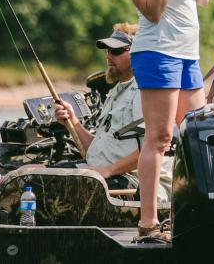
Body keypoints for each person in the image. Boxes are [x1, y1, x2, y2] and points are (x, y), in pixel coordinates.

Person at [115, 0, 214, 243]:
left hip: (188, 54)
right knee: (159, 138)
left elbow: (199, 1)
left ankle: (187, 215)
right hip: (157, 53)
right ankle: (148, 223)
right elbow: (153, 12)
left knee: (195, 138)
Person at [52, 24, 170, 193]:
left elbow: (155, 147)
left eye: (116, 51)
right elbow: (96, 153)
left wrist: (109, 170)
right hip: (102, 173)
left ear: (138, 52)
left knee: (42, 183)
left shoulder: (144, 91)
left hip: (132, 180)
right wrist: (72, 121)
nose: (108, 57)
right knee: (27, 172)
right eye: (107, 51)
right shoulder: (115, 91)